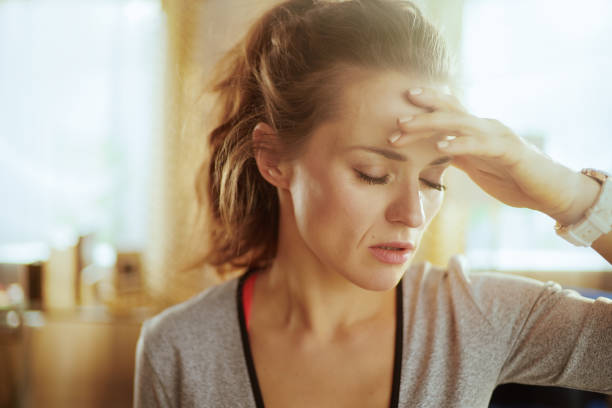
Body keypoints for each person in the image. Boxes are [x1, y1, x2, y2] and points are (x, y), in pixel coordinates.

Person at [133, 0, 612, 407]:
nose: (413, 213)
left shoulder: (476, 318)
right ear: (274, 158)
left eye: (432, 179)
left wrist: (567, 193)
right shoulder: (177, 349)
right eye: (373, 174)